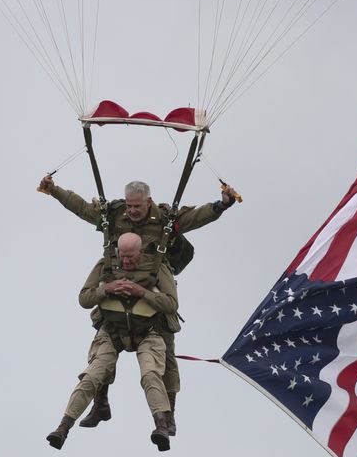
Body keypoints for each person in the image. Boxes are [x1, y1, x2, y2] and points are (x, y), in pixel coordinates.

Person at [38, 176, 236, 435]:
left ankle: (168, 416)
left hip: (153, 285)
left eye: (137, 207)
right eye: (129, 206)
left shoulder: (164, 219)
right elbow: (84, 209)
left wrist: (221, 205)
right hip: (118, 285)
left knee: (165, 356)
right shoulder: (115, 215)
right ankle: (100, 404)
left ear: (149, 202)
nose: (132, 211)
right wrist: (54, 191)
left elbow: (194, 218)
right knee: (102, 353)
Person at [48, 233, 178, 452]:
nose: (126, 261)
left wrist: (142, 292)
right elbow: (84, 299)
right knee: (92, 375)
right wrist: (106, 289)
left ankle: (162, 426)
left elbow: (171, 304)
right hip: (112, 330)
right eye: (123, 256)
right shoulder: (106, 265)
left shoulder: (157, 266)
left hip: (148, 330)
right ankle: (63, 428)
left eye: (131, 257)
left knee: (150, 374)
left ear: (140, 252)